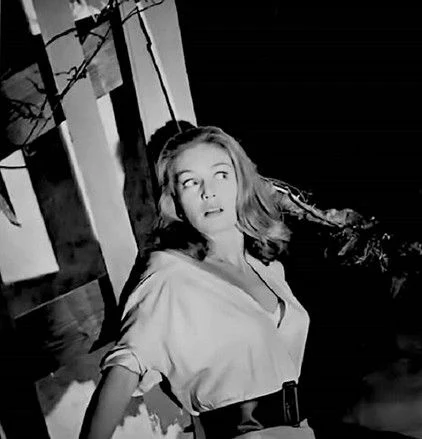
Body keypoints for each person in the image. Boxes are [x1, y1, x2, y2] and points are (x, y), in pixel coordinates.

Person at [80, 126, 315, 439]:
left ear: (241, 183)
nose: (208, 192)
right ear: (176, 201)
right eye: (190, 182)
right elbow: (124, 367)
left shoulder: (269, 270)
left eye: (221, 175)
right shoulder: (169, 274)